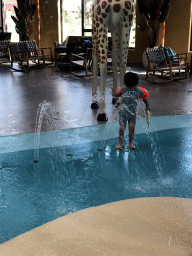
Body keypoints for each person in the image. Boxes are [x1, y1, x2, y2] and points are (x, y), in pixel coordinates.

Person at [112, 72, 150, 150]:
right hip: (123, 113)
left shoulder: (138, 91)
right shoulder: (123, 89)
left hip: (132, 114)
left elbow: (144, 98)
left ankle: (130, 143)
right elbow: (117, 96)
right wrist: (114, 94)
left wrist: (147, 106)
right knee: (122, 128)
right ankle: (120, 143)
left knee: (132, 128)